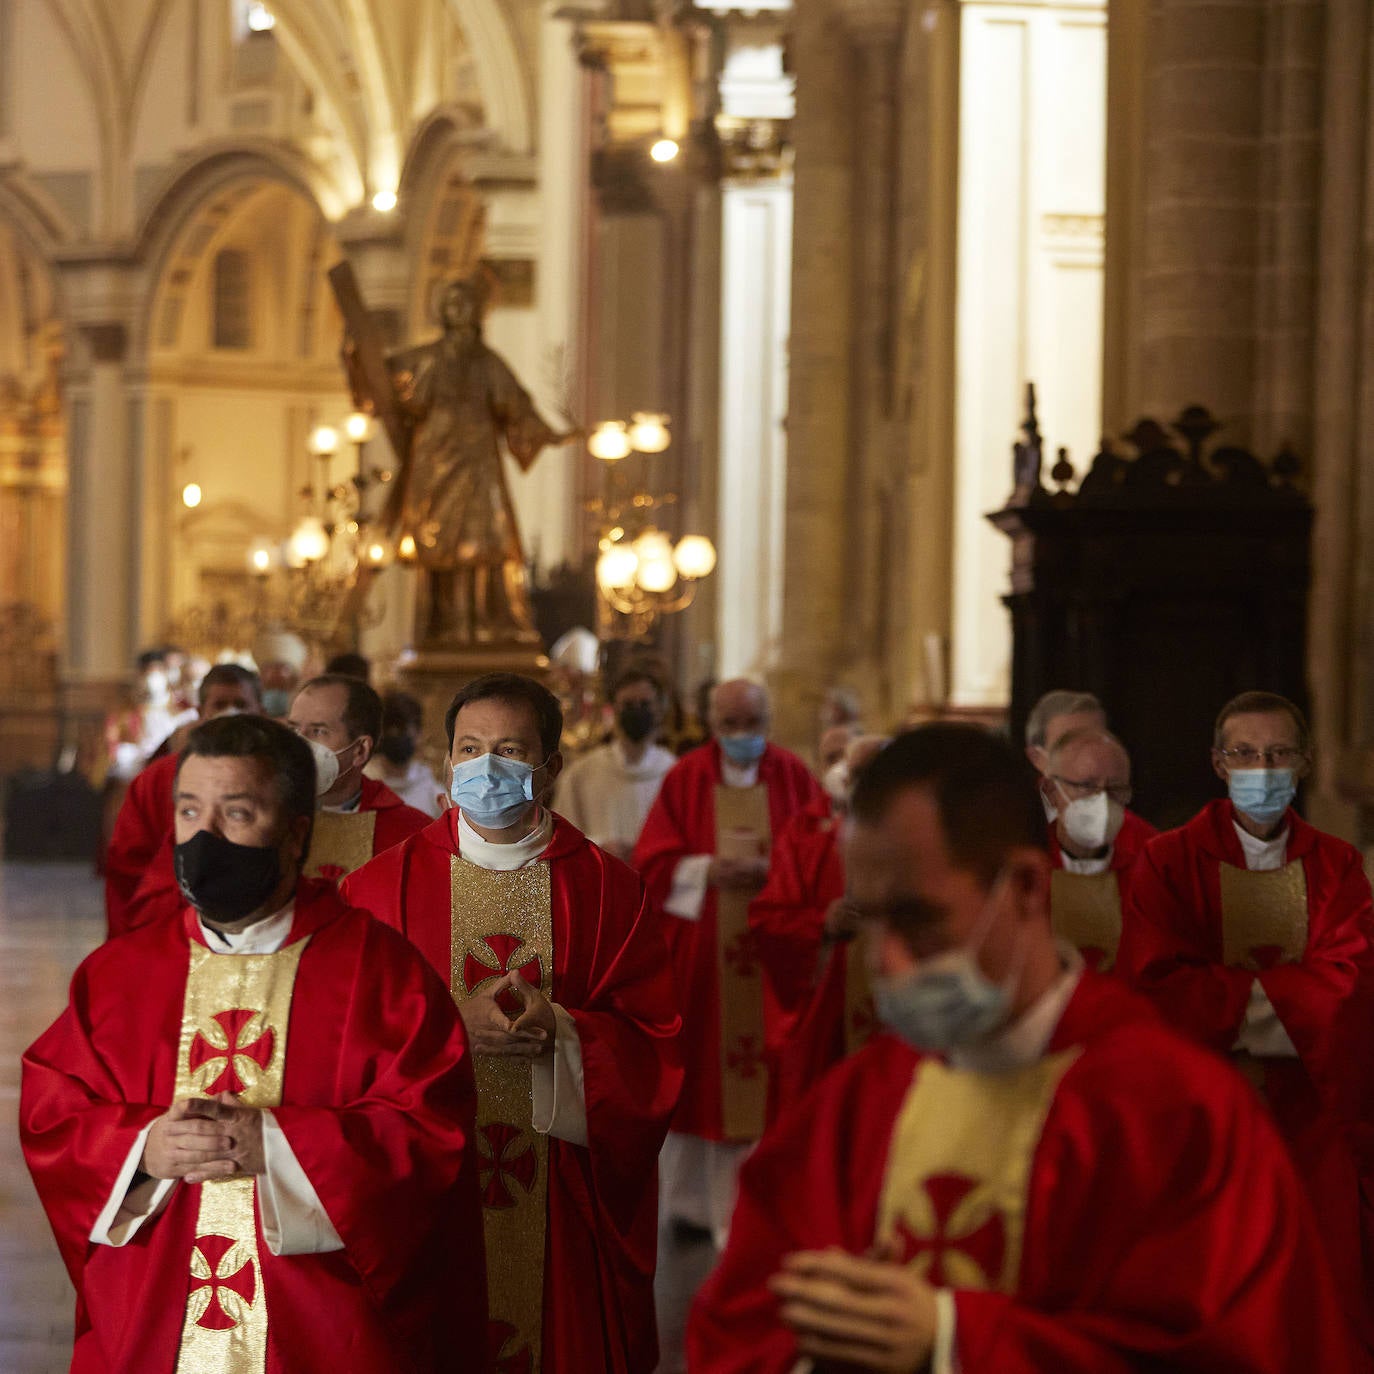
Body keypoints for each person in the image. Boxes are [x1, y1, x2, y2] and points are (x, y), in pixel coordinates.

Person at [688, 723, 1355, 1374]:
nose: (886, 961)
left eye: (917, 919)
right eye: (872, 920)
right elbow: (740, 1325)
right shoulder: (856, 1105)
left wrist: (953, 1342)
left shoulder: (1176, 1114)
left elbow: (1243, 1350)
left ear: (1030, 888)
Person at [22, 715, 485, 1372]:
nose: (204, 838)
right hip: (156, 1325)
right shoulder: (118, 976)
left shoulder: (383, 977)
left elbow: (430, 1135)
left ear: (296, 833)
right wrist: (142, 1148)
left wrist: (275, 1145)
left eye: (236, 813)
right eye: (189, 811)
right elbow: (55, 1112)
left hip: (317, 1337)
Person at [343, 672, 683, 1374]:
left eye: (508, 750)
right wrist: (445, 1031)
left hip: (561, 1199)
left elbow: (656, 1044)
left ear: (550, 768)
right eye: (469, 748)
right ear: (446, 765)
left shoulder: (607, 891)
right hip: (431, 1199)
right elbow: (342, 1048)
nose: (485, 768)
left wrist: (561, 1032)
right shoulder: (377, 890)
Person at [1119, 690, 1374, 1351]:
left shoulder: (1338, 866)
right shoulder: (1167, 862)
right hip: (1208, 1121)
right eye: (1245, 754)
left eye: (1279, 753)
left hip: (1316, 1125)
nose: (1262, 769)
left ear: (1306, 763)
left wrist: (1231, 1002)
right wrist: (1292, 1003)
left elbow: (1351, 995)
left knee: (1319, 1313)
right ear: (1218, 762)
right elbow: (1159, 989)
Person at [634, 678, 827, 1246]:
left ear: (769, 719)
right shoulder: (686, 776)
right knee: (703, 1078)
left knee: (768, 1075)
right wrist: (706, 870)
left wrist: (775, 871)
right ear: (711, 723)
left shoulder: (793, 775)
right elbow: (654, 858)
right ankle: (692, 1208)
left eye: (753, 722)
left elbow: (819, 850)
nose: (743, 735)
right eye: (731, 724)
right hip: (706, 953)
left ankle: (757, 1214)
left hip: (772, 951)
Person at [117, 675, 431, 932]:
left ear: (360, 750)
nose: (301, 742)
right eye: (295, 729)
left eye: (318, 731)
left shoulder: (409, 836)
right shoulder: (244, 817)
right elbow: (154, 913)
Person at [752, 733, 890, 1118]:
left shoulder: (924, 834)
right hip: (824, 1011)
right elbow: (770, 917)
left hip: (895, 1003)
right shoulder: (806, 833)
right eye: (859, 773)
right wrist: (821, 923)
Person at [104, 663, 263, 939]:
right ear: (201, 712)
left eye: (240, 703)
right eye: (220, 704)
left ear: (259, 711)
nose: (230, 712)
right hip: (172, 925)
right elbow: (127, 867)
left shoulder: (276, 776)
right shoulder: (156, 780)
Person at [1041, 727, 1157, 971]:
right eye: (1087, 785)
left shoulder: (1154, 858)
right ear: (1051, 791)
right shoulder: (1027, 857)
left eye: (1115, 789)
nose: (1102, 801)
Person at [555, 667, 677, 862]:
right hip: (600, 878)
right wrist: (599, 846)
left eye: (645, 704)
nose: (637, 711)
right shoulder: (582, 772)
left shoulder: (674, 772)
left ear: (660, 709)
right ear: (613, 709)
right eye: (628, 705)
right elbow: (562, 837)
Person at [364, 690, 445, 818]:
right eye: (389, 727)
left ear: (418, 734)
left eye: (402, 728)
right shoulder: (361, 787)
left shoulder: (434, 795)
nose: (395, 734)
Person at [253, 631, 309, 718]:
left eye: (280, 668)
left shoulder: (304, 698)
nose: (274, 674)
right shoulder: (254, 697)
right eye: (270, 668)